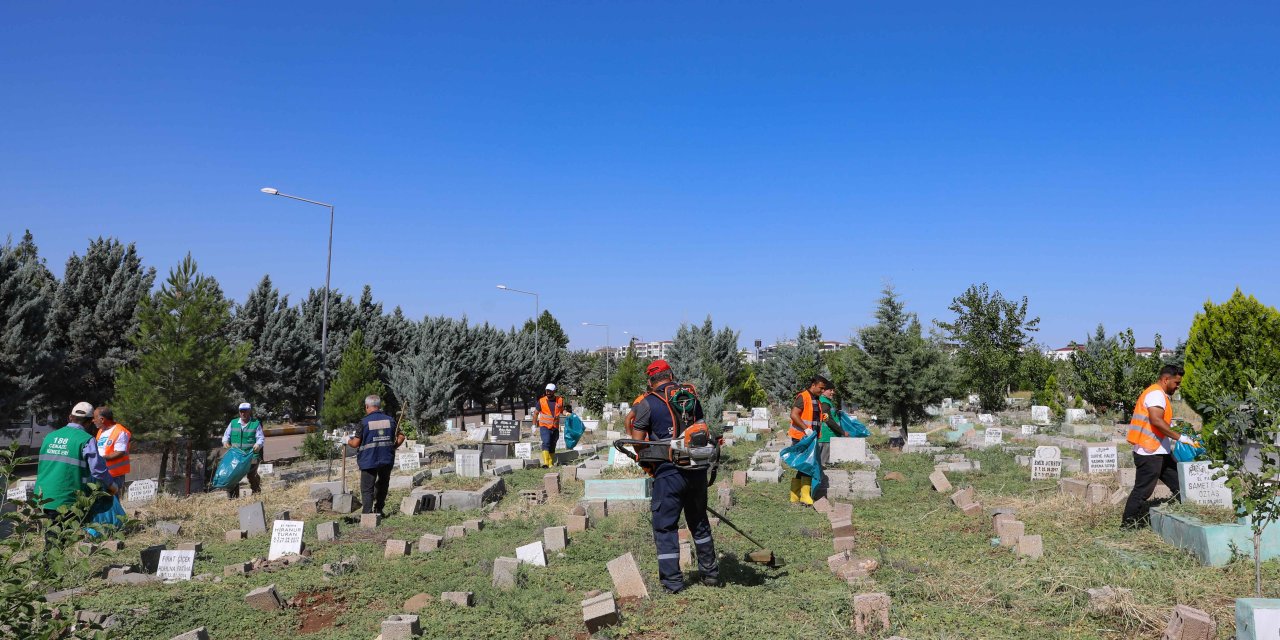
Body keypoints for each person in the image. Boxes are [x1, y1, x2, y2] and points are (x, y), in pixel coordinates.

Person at [626, 359, 719, 594]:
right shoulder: (690, 397)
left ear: (650, 380)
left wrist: (649, 460)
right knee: (699, 522)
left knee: (665, 527)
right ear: (670, 375)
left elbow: (638, 443)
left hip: (669, 473)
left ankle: (673, 583)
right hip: (697, 470)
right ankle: (710, 573)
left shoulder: (648, 403)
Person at [1121, 365, 1194, 529]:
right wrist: (1180, 438)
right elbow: (1156, 420)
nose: (1177, 386)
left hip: (1160, 451)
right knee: (1142, 491)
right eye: (1176, 383)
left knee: (1179, 484)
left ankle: (1190, 514)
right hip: (1149, 453)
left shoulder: (1159, 394)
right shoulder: (1155, 394)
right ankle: (1127, 525)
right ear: (1166, 379)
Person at [33, 402, 119, 523]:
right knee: (63, 537)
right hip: (67, 499)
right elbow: (98, 471)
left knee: (51, 535)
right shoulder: (86, 440)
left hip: (43, 496)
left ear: (70, 417)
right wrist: (112, 486)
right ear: (89, 422)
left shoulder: (50, 436)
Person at [347, 394, 404, 516]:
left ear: (367, 406)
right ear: (379, 406)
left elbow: (356, 443)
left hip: (369, 460)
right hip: (386, 458)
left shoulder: (364, 422)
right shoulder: (390, 420)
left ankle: (367, 514)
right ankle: (379, 510)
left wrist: (346, 440)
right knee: (383, 484)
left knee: (367, 488)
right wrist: (393, 447)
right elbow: (401, 437)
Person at [788, 376, 831, 505]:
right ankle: (804, 496)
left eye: (824, 389)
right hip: (802, 437)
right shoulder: (803, 397)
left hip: (810, 437)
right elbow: (794, 414)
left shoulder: (816, 400)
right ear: (813, 385)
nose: (822, 391)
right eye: (821, 388)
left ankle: (796, 495)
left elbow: (811, 416)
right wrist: (806, 429)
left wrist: (822, 417)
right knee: (806, 465)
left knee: (805, 465)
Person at [221, 402, 264, 498]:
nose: (243, 413)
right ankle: (233, 498)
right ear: (239, 412)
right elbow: (226, 436)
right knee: (233, 476)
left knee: (251, 476)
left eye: (245, 411)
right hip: (236, 456)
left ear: (250, 412)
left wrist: (258, 444)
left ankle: (256, 493)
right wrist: (225, 442)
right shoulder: (233, 423)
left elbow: (260, 438)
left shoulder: (255, 424)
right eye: (241, 411)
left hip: (251, 456)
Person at [532, 383, 572, 468]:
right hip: (544, 426)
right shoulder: (541, 401)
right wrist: (533, 425)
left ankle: (551, 463)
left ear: (554, 391)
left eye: (550, 391)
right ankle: (546, 463)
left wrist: (567, 413)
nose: (548, 392)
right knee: (546, 442)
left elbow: (562, 410)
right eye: (547, 391)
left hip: (555, 426)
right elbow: (535, 413)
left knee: (553, 444)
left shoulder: (559, 400)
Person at [92, 406, 131, 487]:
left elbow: (120, 452)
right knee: (102, 498)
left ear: (102, 419)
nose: (93, 420)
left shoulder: (120, 431)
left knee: (113, 498)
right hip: (102, 473)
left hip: (115, 476)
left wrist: (101, 459)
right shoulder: (101, 431)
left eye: (95, 418)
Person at [817, 386, 846, 466]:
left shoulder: (828, 401)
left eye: (833, 390)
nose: (833, 392)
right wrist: (842, 431)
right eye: (830, 390)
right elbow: (827, 419)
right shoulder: (824, 402)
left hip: (830, 435)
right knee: (822, 463)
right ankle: (817, 478)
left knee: (823, 463)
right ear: (823, 391)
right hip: (826, 437)